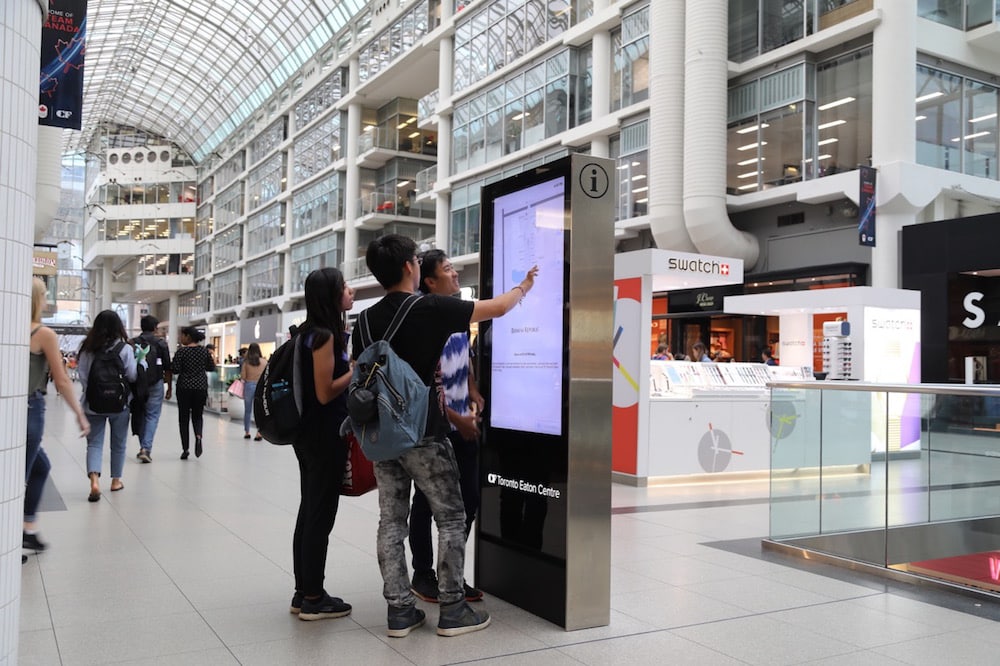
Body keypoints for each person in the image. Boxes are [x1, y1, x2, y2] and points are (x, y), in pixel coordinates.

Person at [353, 234, 536, 638]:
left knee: (391, 521)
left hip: (383, 436)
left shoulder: (363, 320)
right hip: (424, 432)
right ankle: (453, 608)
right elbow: (499, 308)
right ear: (409, 268)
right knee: (452, 515)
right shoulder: (429, 307)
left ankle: (400, 611)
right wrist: (524, 285)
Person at [408, 249, 485, 604]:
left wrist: (472, 390)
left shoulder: (457, 314)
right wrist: (456, 419)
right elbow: (427, 385)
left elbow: (463, 356)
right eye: (448, 269)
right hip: (436, 426)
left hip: (461, 423)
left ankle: (450, 572)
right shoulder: (423, 318)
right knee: (426, 502)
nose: (456, 275)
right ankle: (423, 574)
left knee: (469, 498)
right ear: (429, 280)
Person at [289, 267, 355, 621]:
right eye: (344, 287)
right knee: (319, 513)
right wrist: (357, 370)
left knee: (310, 509)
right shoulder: (325, 335)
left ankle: (304, 591)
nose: (351, 290)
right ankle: (314, 596)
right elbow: (325, 391)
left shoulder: (307, 332)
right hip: (323, 435)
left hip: (308, 434)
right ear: (331, 296)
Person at [25, 278, 91, 554]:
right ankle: (11, 538)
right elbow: (62, 381)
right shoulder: (42, 334)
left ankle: (28, 528)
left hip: (12, 407)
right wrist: (79, 414)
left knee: (39, 467)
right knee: (21, 476)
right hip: (30, 410)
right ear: (37, 300)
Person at [77, 310, 138, 501]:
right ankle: (115, 481)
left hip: (93, 404)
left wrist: (93, 393)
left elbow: (83, 377)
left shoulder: (87, 348)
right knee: (118, 444)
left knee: (94, 443)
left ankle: (94, 480)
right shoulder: (125, 349)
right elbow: (132, 376)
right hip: (120, 404)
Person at [132, 315, 172, 463]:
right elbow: (168, 367)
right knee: (152, 415)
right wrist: (169, 387)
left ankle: (144, 446)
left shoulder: (133, 342)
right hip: (156, 383)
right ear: (155, 328)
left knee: (140, 413)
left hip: (136, 383)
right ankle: (145, 448)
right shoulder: (161, 344)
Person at [172, 326, 215, 459]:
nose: (180, 338)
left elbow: (175, 369)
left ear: (188, 337)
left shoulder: (182, 352)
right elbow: (211, 367)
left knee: (183, 418)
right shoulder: (204, 352)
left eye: (182, 336)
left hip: (184, 386)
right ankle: (198, 436)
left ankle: (185, 449)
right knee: (198, 415)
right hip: (200, 386)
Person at [239, 342, 265, 440]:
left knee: (248, 411)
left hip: (249, 386)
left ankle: (247, 432)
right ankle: (259, 433)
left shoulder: (246, 362)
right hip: (260, 387)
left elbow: (243, 377)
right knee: (259, 411)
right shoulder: (264, 362)